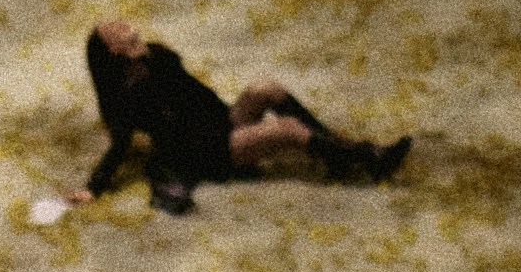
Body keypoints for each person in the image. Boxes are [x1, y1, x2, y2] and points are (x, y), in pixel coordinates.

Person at [70, 18, 411, 216]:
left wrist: (152, 61)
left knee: (266, 88)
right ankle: (369, 159)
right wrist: (92, 188)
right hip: (212, 151)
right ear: (114, 49)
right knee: (287, 129)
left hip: (222, 123)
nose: (129, 27)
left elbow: (195, 96)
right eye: (119, 30)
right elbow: (119, 146)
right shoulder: (125, 97)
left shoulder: (157, 56)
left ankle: (334, 150)